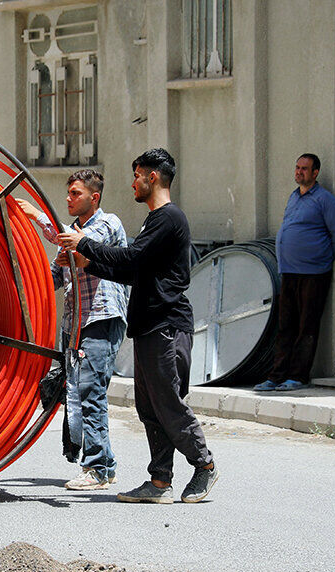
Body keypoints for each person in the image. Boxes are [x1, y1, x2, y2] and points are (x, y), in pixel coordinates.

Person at [61, 148, 217, 504]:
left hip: (167, 325)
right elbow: (134, 271)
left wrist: (86, 243)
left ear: (153, 177)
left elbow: (133, 257)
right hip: (149, 326)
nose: (133, 183)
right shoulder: (154, 221)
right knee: (149, 408)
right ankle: (159, 483)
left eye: (137, 176)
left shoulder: (169, 218)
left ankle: (204, 466)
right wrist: (89, 264)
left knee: (167, 402)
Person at [17, 170, 129, 491]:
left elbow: (78, 244)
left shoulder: (107, 225)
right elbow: (52, 277)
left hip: (100, 318)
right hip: (75, 323)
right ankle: (103, 465)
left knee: (91, 391)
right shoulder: (73, 232)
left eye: (75, 194)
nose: (69, 199)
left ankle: (96, 468)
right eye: (68, 193)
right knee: (80, 392)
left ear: (94, 197)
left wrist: (39, 217)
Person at [255, 153, 335, 392]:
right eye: (297, 167)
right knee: (285, 325)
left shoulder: (325, 200)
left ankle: (298, 376)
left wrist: (321, 258)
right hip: (289, 271)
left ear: (315, 173)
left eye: (304, 169)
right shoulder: (294, 197)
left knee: (307, 326)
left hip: (314, 272)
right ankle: (276, 376)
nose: (299, 172)